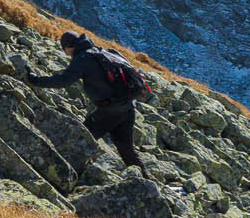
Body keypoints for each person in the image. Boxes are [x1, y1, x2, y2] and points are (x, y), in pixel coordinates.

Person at [19, 31, 152, 177]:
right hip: (128, 106)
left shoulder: (83, 58)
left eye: (64, 50)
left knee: (81, 139)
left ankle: (63, 176)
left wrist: (35, 80)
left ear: (68, 47)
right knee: (126, 148)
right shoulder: (103, 52)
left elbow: (63, 80)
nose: (67, 54)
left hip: (110, 109)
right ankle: (146, 180)